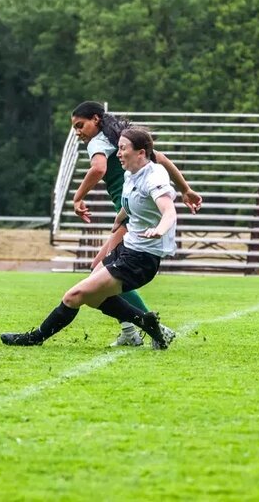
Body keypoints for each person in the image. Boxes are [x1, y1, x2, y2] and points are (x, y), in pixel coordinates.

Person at [0, 127, 177, 350]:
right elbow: (133, 201)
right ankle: (146, 323)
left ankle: (34, 338)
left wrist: (160, 229)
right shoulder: (130, 172)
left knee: (74, 296)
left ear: (141, 153)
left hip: (141, 259)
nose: (119, 153)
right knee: (93, 297)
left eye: (123, 149)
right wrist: (121, 216)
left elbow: (169, 211)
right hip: (128, 249)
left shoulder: (154, 177)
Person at [69, 101, 202, 347]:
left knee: (102, 269)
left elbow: (98, 168)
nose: (78, 132)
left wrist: (77, 197)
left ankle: (149, 327)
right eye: (75, 128)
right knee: (101, 268)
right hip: (130, 213)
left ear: (96, 119)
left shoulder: (98, 142)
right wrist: (186, 189)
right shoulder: (121, 137)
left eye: (81, 125)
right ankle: (132, 330)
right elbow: (160, 157)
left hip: (132, 215)